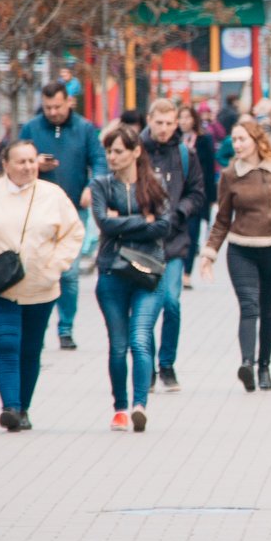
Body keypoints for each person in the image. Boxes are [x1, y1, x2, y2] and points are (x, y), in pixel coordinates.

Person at [0, 140, 84, 432]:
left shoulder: (52, 195)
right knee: (7, 343)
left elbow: (73, 233)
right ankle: (10, 407)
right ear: (6, 165)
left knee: (30, 350)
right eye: (21, 162)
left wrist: (55, 266)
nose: (27, 167)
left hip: (40, 288)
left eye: (31, 161)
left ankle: (23, 408)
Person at [199, 121, 271, 391]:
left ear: (256, 140)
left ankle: (264, 367)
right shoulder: (229, 175)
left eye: (242, 139)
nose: (236, 145)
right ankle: (247, 364)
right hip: (241, 249)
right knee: (249, 306)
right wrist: (209, 254)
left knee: (269, 311)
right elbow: (222, 219)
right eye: (234, 140)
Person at [90, 125, 171, 432]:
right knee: (118, 344)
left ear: (136, 152)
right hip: (112, 271)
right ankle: (120, 408)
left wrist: (121, 222)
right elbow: (104, 223)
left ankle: (140, 405)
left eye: (118, 151)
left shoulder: (155, 184)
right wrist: (142, 220)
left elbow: (163, 225)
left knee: (140, 338)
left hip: (148, 273)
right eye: (109, 151)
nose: (112, 157)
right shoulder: (101, 185)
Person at [19, 80, 108, 350]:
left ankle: (66, 327)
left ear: (68, 101)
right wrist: (35, 164)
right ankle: (38, 327)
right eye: (48, 107)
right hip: (37, 210)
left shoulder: (85, 128)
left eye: (57, 106)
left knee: (68, 272)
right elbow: (14, 160)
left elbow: (99, 161)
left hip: (73, 211)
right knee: (38, 270)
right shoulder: (32, 128)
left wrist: (92, 186)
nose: (53, 112)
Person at [141, 99, 205, 392]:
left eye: (169, 123)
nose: (164, 128)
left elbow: (197, 192)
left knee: (171, 302)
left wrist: (180, 212)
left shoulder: (184, 154)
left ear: (176, 123)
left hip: (175, 239)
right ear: (149, 120)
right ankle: (148, 368)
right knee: (146, 307)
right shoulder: (137, 151)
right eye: (159, 123)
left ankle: (167, 364)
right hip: (143, 240)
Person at [178, 105, 217, 290]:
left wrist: (211, 197)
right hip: (176, 194)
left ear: (194, 119)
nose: (184, 121)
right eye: (181, 117)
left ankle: (186, 273)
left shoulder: (204, 139)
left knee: (192, 234)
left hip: (196, 193)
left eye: (188, 117)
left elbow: (209, 169)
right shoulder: (173, 139)